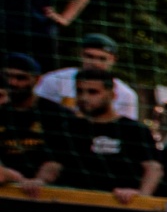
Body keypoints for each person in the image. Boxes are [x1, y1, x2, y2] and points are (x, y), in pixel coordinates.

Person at [55, 67, 161, 200]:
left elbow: (153, 168)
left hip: (120, 203)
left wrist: (142, 195)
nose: (84, 98)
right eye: (79, 91)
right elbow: (53, 164)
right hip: (74, 201)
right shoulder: (69, 128)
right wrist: (40, 180)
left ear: (112, 95)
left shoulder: (134, 130)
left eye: (93, 92)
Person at [0, 51, 64, 195]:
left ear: (37, 79)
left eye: (21, 78)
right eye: (7, 76)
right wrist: (14, 177)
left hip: (46, 192)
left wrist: (39, 180)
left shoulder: (55, 113)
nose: (12, 83)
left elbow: (57, 159)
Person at [35, 33, 139, 120]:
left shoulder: (126, 94)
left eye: (102, 59)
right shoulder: (54, 79)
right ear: (80, 54)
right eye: (89, 56)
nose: (95, 63)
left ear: (113, 60)